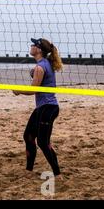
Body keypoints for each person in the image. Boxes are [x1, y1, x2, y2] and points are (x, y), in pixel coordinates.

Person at [13, 38, 63, 176]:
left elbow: (33, 89)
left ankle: (57, 173)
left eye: (34, 45)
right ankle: (29, 170)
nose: (31, 46)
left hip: (48, 108)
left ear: (39, 50)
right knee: (28, 136)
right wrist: (33, 73)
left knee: (42, 142)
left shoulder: (40, 67)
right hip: (43, 107)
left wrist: (18, 91)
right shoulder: (43, 64)